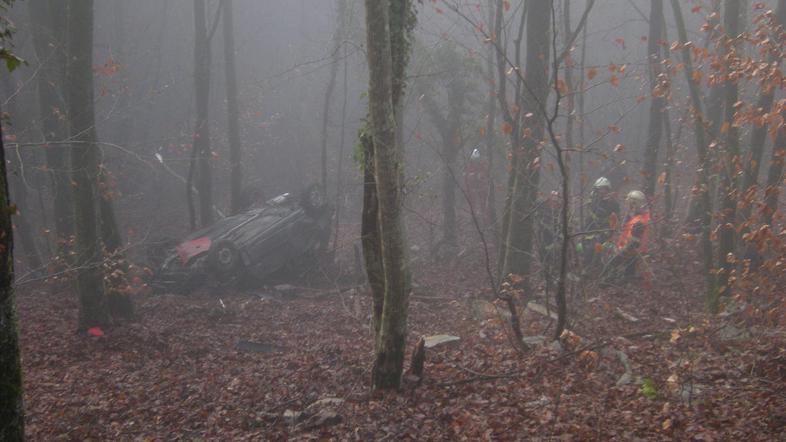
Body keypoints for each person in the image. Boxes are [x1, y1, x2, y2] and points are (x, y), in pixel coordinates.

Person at [602, 190, 651, 284]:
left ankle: (609, 282)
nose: (627, 206)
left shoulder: (638, 222)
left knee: (610, 265)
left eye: (629, 204)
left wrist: (619, 252)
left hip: (631, 252)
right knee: (628, 275)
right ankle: (627, 280)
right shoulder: (641, 217)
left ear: (634, 204)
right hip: (634, 252)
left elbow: (634, 243)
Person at [582, 177, 620, 273]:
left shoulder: (613, 203)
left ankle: (597, 270)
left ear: (608, 189)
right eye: (600, 189)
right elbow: (589, 216)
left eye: (604, 189)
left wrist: (610, 232)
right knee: (585, 247)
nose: (602, 191)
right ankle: (586, 267)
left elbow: (616, 219)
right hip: (591, 229)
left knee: (598, 248)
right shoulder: (593, 201)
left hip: (605, 230)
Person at [463, 147, 489, 222]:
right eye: (474, 160)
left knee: (483, 202)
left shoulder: (483, 165)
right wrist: (472, 176)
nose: (475, 162)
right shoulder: (469, 165)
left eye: (477, 160)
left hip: (481, 187)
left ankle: (484, 217)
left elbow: (485, 175)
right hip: (472, 187)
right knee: (472, 202)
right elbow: (466, 175)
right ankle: (473, 217)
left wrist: (481, 176)